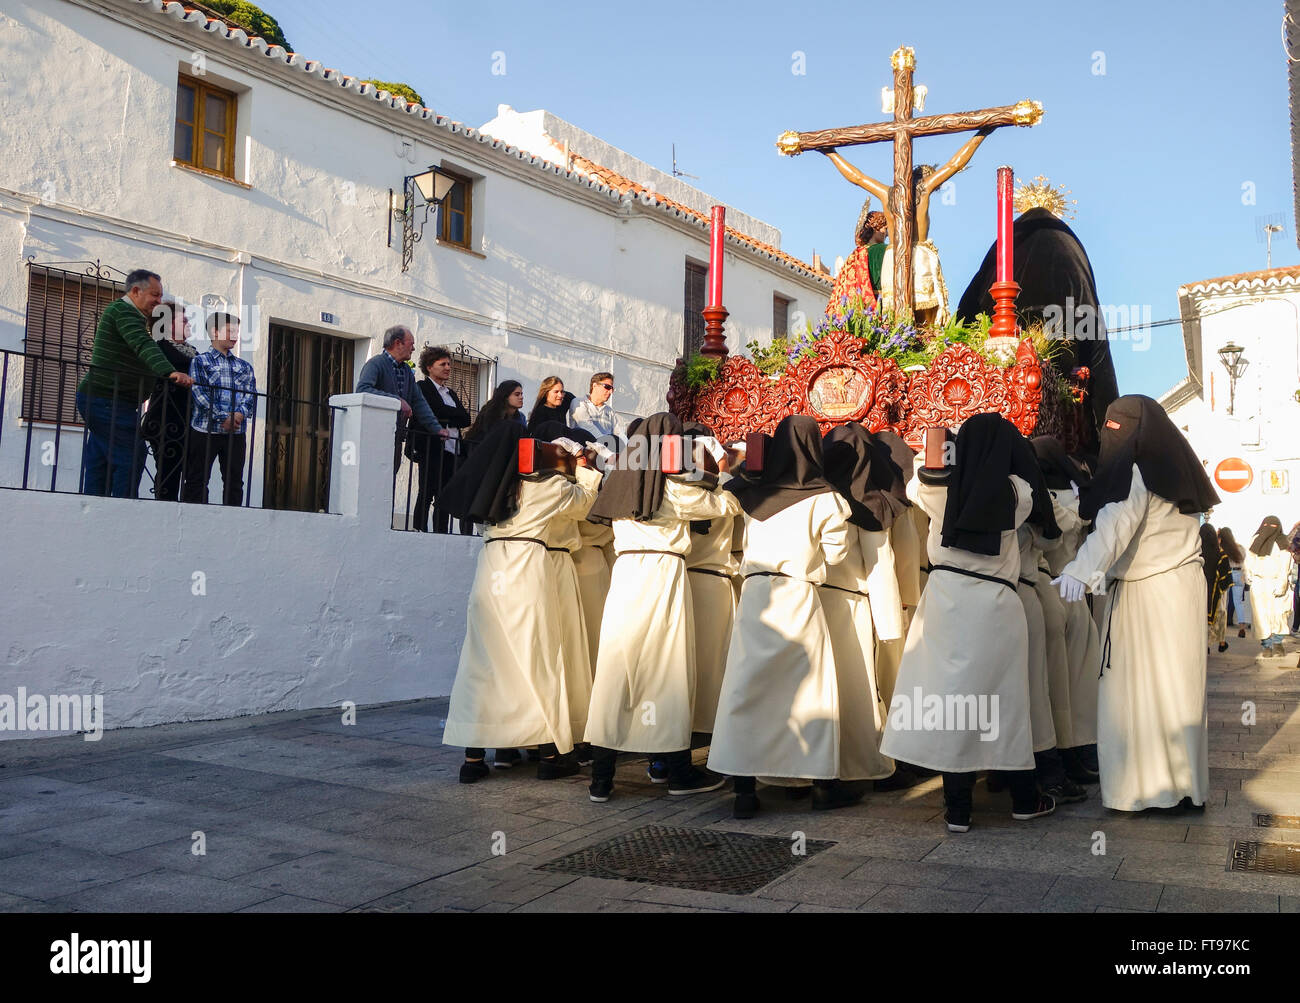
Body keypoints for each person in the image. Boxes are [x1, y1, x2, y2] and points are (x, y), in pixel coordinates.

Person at [880, 414, 1056, 833]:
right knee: (1006, 703)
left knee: (951, 704)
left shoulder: (936, 488)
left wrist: (941, 452)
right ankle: (1024, 799)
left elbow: (915, 482)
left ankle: (957, 808)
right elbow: (1031, 498)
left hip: (945, 600)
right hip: (996, 603)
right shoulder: (1018, 491)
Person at [1055, 395, 1219, 812]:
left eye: (1117, 425)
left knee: (1137, 691)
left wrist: (1079, 569)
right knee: (1177, 689)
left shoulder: (1135, 469)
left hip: (1147, 592)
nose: (1112, 434)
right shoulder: (1174, 470)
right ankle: (1185, 786)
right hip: (1182, 587)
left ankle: (1145, 790)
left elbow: (1115, 526)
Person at [707, 415, 875, 817]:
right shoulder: (826, 500)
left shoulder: (752, 494)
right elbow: (835, 555)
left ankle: (744, 791)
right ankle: (821, 785)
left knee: (747, 690)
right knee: (810, 691)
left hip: (756, 598)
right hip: (799, 596)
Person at [584, 412, 741, 802]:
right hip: (662, 573)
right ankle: (677, 772)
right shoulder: (672, 489)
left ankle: (601, 780)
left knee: (615, 673)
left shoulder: (618, 481)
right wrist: (721, 471)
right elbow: (724, 505)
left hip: (625, 575)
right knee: (668, 670)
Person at [438, 421, 601, 783]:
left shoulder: (490, 486)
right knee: (537, 659)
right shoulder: (549, 487)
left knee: (483, 663)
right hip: (528, 570)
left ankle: (473, 759)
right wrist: (583, 468)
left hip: (490, 571)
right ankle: (548, 754)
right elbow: (585, 504)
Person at [76, 269, 194, 497]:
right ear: (136, 291)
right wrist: (171, 372)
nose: (159, 301)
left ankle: (94, 507)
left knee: (100, 458)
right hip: (108, 400)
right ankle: (123, 509)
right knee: (131, 455)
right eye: (155, 295)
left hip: (109, 400)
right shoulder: (123, 311)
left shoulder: (131, 316)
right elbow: (142, 345)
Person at [1032, 436, 1101, 784]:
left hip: (1043, 588)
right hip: (1072, 591)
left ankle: (1055, 756)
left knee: (1050, 684)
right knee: (1079, 681)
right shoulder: (1077, 493)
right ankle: (1081, 753)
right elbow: (1080, 528)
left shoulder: (1032, 493)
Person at [184, 311, 256, 506]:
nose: (235, 335)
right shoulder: (200, 361)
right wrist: (223, 417)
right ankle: (195, 520)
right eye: (230, 330)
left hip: (236, 433)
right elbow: (200, 394)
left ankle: (232, 522)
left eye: (237, 331)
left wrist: (238, 415)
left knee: (234, 483)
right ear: (215, 331)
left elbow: (250, 395)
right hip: (204, 430)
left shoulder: (245, 366)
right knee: (197, 480)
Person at [356, 326, 445, 478]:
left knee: (388, 482)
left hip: (395, 438)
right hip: (374, 438)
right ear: (398, 343)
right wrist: (397, 400)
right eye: (411, 344)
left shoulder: (406, 371)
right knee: (372, 480)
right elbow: (363, 390)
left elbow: (419, 403)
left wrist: (437, 429)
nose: (414, 348)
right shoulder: (375, 364)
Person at [409, 346, 471, 534]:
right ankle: (419, 528)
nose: (447, 368)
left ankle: (440, 531)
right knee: (426, 491)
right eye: (442, 364)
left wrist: (447, 415)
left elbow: (466, 419)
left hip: (452, 451)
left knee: (444, 496)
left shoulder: (450, 393)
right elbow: (434, 410)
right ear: (429, 367)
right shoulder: (422, 387)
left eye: (449, 364)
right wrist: (452, 416)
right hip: (431, 448)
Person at [140, 297, 197, 501]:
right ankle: (164, 512)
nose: (188, 324)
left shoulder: (193, 352)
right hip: (165, 421)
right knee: (168, 474)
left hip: (188, 422)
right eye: (183, 320)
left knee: (192, 476)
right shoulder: (159, 347)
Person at [1246, 516, 1292, 656]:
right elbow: (1249, 559)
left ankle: (1277, 643)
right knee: (1261, 618)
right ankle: (1266, 646)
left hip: (1276, 582)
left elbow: (1285, 565)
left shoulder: (1282, 542)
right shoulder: (1255, 540)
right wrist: (1249, 576)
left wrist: (1282, 584)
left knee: (1280, 615)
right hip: (1259, 584)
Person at [1202, 523, 1233, 654]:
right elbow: (1226, 579)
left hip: (1197, 593)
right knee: (1216, 617)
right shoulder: (1221, 554)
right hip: (1214, 595)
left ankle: (1204, 645)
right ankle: (1215, 642)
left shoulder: (1195, 553)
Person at [570, 372, 624, 444]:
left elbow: (619, 433)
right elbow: (586, 426)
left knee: (640, 423)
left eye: (612, 389)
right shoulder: (579, 403)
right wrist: (606, 443)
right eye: (607, 387)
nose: (610, 392)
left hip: (610, 448)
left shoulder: (610, 411)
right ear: (595, 386)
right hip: (588, 448)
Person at [1221, 527, 1250, 637]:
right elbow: (1243, 560)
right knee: (1238, 602)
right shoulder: (1241, 548)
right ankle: (1242, 627)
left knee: (1224, 601)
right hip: (1239, 574)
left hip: (1228, 573)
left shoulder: (1224, 548)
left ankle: (1222, 626)